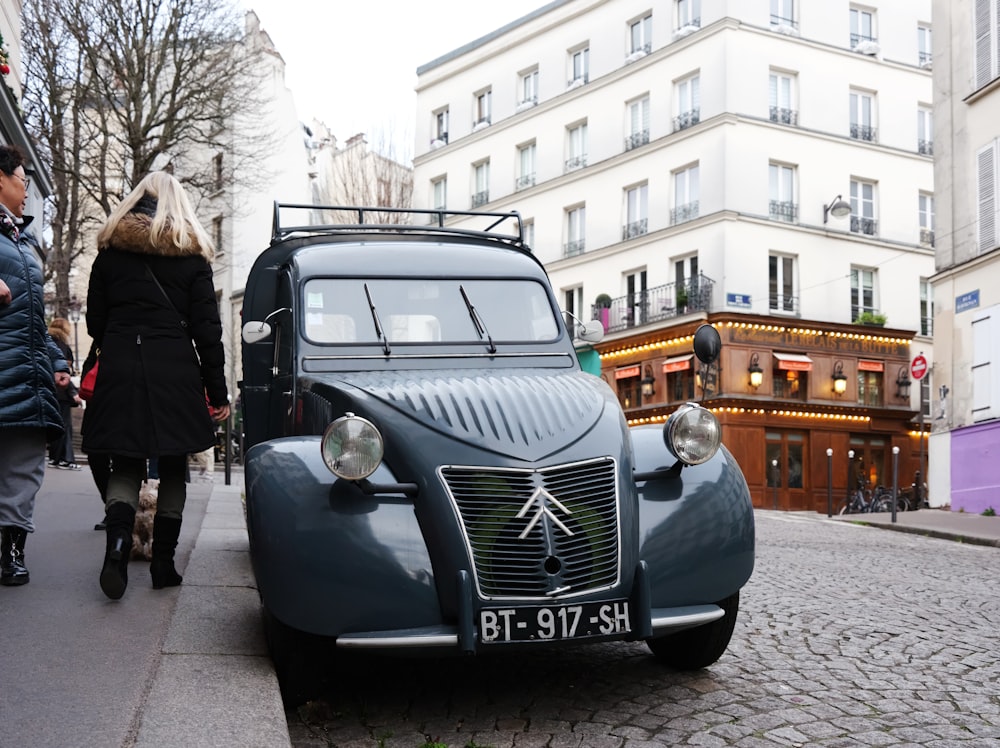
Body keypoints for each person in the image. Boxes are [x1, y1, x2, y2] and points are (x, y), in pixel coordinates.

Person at [82, 171, 229, 600]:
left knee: (125, 464)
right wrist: (217, 394)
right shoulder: (192, 257)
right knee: (173, 465)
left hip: (122, 367)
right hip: (176, 372)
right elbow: (208, 332)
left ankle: (115, 549)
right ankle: (164, 563)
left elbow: (95, 323)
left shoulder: (110, 254)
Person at [0, 144, 72, 586]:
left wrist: (56, 359)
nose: (25, 191)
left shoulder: (24, 242)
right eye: (22, 181)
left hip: (26, 374)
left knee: (24, 466)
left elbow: (33, 319)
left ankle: (11, 550)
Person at [46, 317, 83, 470]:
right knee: (65, 425)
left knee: (55, 424)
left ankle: (55, 457)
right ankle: (67, 459)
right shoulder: (61, 346)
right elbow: (62, 373)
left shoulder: (47, 343)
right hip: (61, 392)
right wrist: (73, 392)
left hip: (49, 391)